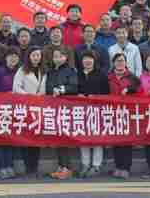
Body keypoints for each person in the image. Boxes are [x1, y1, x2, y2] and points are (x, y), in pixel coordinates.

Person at [13, 47, 47, 178]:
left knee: (36, 139)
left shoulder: (44, 70)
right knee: (25, 139)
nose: (36, 57)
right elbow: (16, 87)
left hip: (39, 108)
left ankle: (34, 167)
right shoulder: (22, 70)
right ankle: (28, 168)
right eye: (33, 55)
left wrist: (40, 97)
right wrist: (29, 96)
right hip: (25, 107)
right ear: (29, 56)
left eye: (38, 55)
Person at [46, 48, 79, 180]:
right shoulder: (51, 71)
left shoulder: (71, 71)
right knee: (57, 139)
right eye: (55, 56)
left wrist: (61, 90)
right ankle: (61, 166)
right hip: (53, 108)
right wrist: (52, 90)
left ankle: (67, 168)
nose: (58, 59)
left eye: (60, 56)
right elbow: (48, 87)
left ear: (65, 57)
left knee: (64, 139)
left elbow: (74, 87)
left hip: (66, 108)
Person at [108, 53, 141, 180]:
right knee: (116, 142)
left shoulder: (132, 77)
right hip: (112, 113)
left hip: (128, 113)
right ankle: (118, 166)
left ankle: (126, 168)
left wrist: (129, 90)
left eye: (122, 61)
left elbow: (138, 88)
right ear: (113, 63)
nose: (120, 63)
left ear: (126, 63)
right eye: (117, 61)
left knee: (126, 142)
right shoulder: (109, 77)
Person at [76, 50, 109, 178]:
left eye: (90, 58)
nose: (87, 61)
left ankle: (96, 165)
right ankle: (85, 164)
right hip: (81, 111)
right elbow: (73, 89)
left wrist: (96, 97)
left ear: (94, 61)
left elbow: (106, 93)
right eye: (85, 58)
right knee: (83, 138)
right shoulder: (77, 74)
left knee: (97, 139)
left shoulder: (101, 75)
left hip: (97, 111)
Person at [0, 48, 21, 179]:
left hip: (15, 110)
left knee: (11, 140)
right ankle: (1, 167)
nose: (13, 58)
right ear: (6, 58)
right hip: (1, 109)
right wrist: (5, 95)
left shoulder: (20, 71)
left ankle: (10, 166)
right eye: (11, 56)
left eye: (15, 56)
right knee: (1, 139)